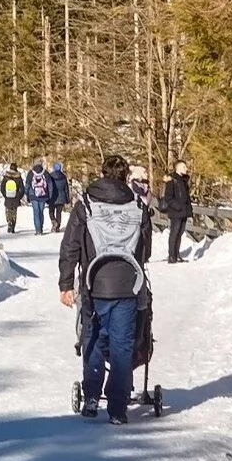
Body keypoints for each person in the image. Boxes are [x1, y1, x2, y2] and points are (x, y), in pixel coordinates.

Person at [59, 153, 151, 423]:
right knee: (123, 345)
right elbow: (145, 250)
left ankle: (91, 396)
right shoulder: (137, 206)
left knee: (94, 337)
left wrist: (66, 283)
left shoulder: (85, 205)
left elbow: (70, 246)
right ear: (125, 177)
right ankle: (118, 408)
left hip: (94, 283)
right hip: (127, 284)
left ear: (102, 173)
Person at [161, 161, 193, 263]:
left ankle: (177, 254)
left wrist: (188, 209)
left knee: (180, 233)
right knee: (174, 233)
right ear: (177, 167)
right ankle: (171, 255)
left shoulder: (184, 180)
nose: (186, 168)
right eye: (184, 167)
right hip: (176, 211)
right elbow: (168, 197)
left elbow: (186, 197)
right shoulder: (172, 179)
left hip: (184, 211)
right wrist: (178, 206)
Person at [26, 160, 52, 234]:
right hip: (43, 196)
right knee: (41, 212)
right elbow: (50, 185)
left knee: (36, 212)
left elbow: (27, 185)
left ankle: (38, 230)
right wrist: (49, 195)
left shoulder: (31, 173)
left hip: (33, 196)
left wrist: (27, 194)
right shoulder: (45, 173)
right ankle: (41, 228)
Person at [0, 164, 23, 233]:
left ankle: (9, 222)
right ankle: (13, 224)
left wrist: (5, 194)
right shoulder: (18, 177)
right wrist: (19, 196)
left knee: (8, 211)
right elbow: (22, 189)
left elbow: (2, 187)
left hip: (8, 197)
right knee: (14, 212)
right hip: (15, 197)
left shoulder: (6, 177)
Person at [48, 160, 71, 232]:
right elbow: (66, 189)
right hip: (61, 197)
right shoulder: (63, 177)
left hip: (52, 197)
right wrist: (67, 199)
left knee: (51, 211)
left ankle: (54, 222)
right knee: (59, 213)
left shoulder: (50, 176)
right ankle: (57, 227)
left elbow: (48, 187)